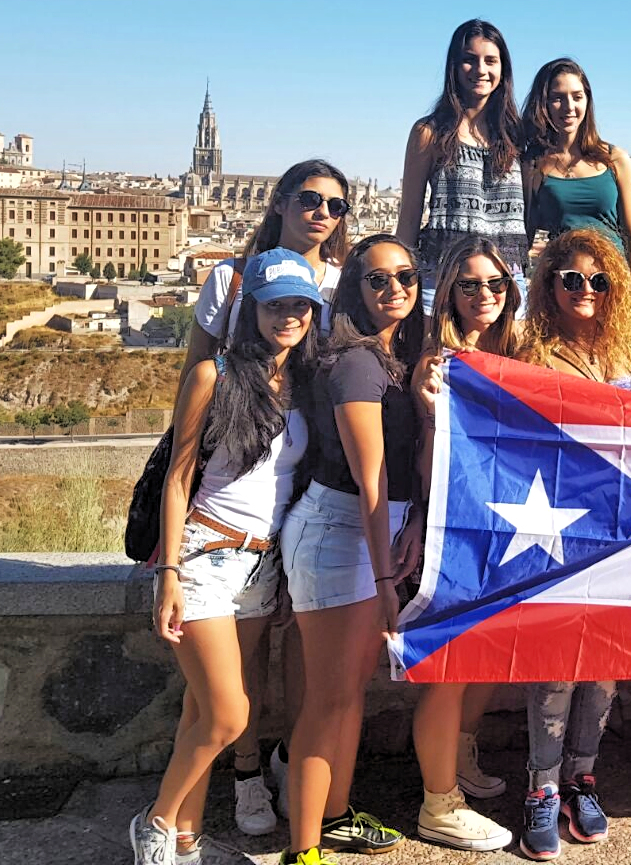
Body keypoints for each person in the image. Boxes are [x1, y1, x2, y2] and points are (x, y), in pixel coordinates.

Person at [130, 249, 323, 865]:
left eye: (299, 304)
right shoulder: (215, 375)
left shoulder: (304, 385)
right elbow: (179, 478)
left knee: (200, 708)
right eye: (275, 305)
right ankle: (156, 822)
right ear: (251, 311)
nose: (287, 315)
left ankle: (186, 838)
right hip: (205, 557)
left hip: (261, 567)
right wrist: (168, 576)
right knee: (229, 713)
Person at [177, 159, 350, 834]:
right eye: (309, 200)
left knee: (299, 648)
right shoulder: (232, 276)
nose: (322, 214)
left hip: (302, 485)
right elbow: (197, 373)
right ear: (278, 203)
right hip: (228, 492)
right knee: (236, 665)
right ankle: (244, 776)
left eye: (335, 205)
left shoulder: (340, 284)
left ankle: (285, 760)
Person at [278, 235, 425, 865]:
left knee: (351, 691)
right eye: (378, 280)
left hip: (371, 533)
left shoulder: (393, 357)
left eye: (406, 275)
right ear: (355, 292)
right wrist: (388, 581)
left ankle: (336, 815)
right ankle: (303, 848)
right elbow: (372, 481)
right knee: (328, 698)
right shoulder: (358, 365)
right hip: (342, 534)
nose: (396, 288)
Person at [515, 228, 631, 860]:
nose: (586, 291)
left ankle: (583, 778)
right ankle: (541, 788)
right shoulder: (530, 351)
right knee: (554, 662)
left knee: (603, 664)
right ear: (549, 285)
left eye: (599, 280)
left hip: (620, 527)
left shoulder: (629, 353)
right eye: (571, 279)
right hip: (555, 524)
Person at [406, 235, 524, 851]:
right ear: (448, 291)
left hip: (502, 529)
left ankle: (459, 756)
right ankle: (438, 802)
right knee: (447, 670)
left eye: (496, 284)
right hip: (453, 531)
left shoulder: (518, 356)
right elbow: (428, 467)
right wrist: (431, 415)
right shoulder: (439, 364)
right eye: (471, 284)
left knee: (481, 661)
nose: (485, 295)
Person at [397, 19, 528, 315]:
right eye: (469, 60)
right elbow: (409, 215)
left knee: (503, 360)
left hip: (504, 281)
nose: (481, 70)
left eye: (490, 61)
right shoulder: (429, 133)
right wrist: (400, 277)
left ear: (503, 69)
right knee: (441, 360)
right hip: (442, 278)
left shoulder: (517, 135)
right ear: (454, 67)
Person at [521, 58, 631, 309]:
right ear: (543, 104)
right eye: (558, 97)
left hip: (611, 283)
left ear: (587, 101)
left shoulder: (614, 159)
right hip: (565, 287)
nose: (569, 107)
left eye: (577, 97)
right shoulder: (533, 164)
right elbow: (526, 231)